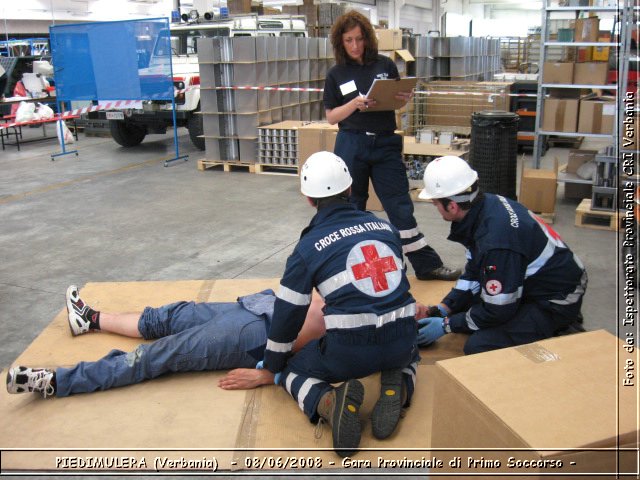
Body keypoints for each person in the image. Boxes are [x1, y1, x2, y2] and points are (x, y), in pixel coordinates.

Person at [255, 151, 420, 457]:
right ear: (350, 188)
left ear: (308, 198)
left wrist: (272, 365)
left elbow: (287, 316)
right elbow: (398, 287)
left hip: (348, 356)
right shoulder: (386, 229)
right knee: (412, 352)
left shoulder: (307, 248)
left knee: (292, 371)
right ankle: (400, 384)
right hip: (402, 342)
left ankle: (327, 403)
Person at [323, 10, 460, 282]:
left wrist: (402, 97)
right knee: (352, 206)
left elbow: (398, 103)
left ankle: (426, 265)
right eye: (348, 40)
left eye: (359, 39)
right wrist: (354, 104)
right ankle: (351, 270)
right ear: (340, 42)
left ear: (367, 39)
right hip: (352, 143)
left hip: (385, 143)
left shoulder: (385, 65)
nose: (355, 46)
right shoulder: (336, 74)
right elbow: (330, 117)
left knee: (399, 207)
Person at [6, 285, 327, 398]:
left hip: (259, 337)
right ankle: (89, 318)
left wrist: (268, 375)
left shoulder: (361, 327)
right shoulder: (350, 271)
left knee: (159, 355)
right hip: (262, 306)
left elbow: (326, 362)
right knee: (168, 317)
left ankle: (56, 381)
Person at [415, 156, 588, 355]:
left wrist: (446, 325)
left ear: (452, 206)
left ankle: (560, 327)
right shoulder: (485, 207)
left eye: (436, 203)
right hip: (532, 281)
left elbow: (498, 309)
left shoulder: (496, 243)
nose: (436, 208)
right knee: (468, 314)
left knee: (479, 345)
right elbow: (473, 272)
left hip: (555, 299)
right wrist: (445, 308)